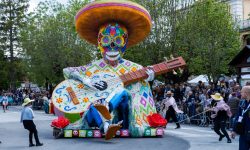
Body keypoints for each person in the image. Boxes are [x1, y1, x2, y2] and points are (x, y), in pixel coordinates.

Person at [231, 86, 250, 150]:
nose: (240, 93)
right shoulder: (242, 103)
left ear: (246, 93)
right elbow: (237, 117)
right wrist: (234, 130)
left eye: (241, 92)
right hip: (243, 133)